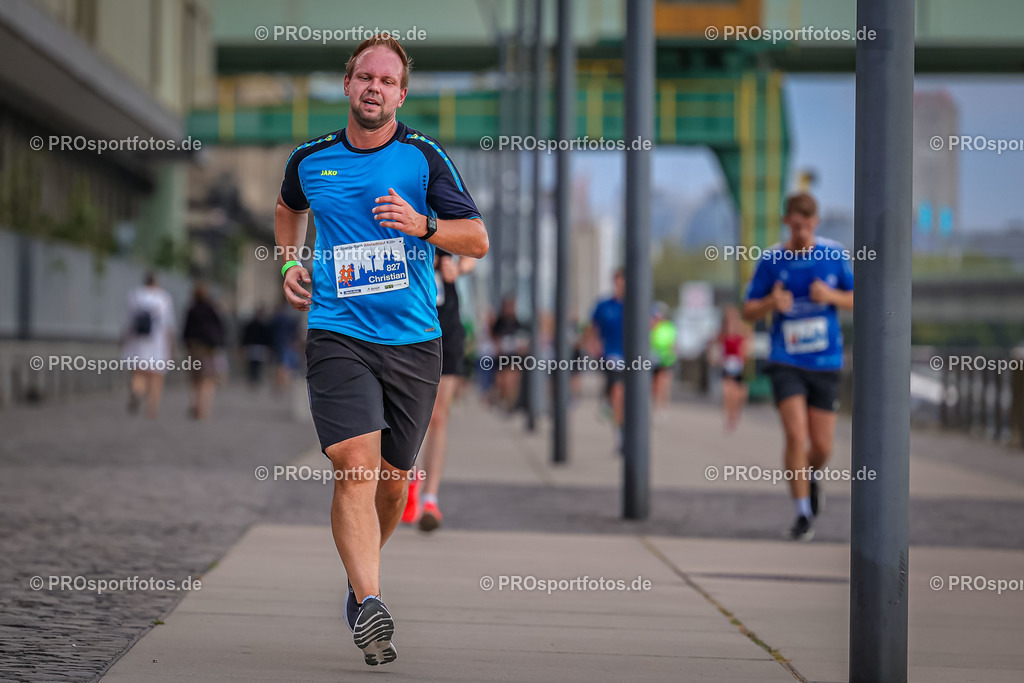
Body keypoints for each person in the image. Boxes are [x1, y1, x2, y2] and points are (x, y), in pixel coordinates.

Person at [275, 34, 487, 667]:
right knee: (354, 464)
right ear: (348, 85)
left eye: (387, 81)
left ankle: (356, 578)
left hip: (415, 341)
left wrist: (423, 225)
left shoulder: (422, 158)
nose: (374, 88)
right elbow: (288, 210)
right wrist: (289, 259)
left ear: (400, 93)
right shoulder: (310, 160)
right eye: (364, 76)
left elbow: (474, 240)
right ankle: (370, 603)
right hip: (338, 331)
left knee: (394, 486)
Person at [743, 193, 853, 542]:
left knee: (821, 447)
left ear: (816, 222)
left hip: (825, 360)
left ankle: (808, 476)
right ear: (786, 222)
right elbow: (747, 310)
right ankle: (803, 513)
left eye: (807, 225)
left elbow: (861, 297)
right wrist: (771, 303)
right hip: (785, 359)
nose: (802, 232)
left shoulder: (833, 254)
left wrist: (831, 297)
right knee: (795, 435)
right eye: (795, 225)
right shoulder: (772, 260)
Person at [401, 249, 476, 531]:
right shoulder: (401, 215)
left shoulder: (446, 215)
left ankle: (430, 498)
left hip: (447, 332)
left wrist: (459, 268)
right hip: (409, 332)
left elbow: (474, 248)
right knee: (410, 415)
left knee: (438, 417)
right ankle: (408, 480)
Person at [122, 273, 175, 418]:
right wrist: (171, 345)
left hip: (137, 341)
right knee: (156, 377)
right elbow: (168, 325)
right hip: (157, 343)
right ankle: (152, 408)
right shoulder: (163, 298)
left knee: (138, 373)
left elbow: (128, 322)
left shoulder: (135, 295)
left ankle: (137, 390)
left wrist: (123, 340)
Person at [585, 269, 626, 449]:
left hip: (634, 358)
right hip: (610, 356)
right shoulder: (603, 306)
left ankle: (607, 402)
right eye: (618, 282)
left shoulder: (637, 305)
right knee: (618, 392)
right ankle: (620, 434)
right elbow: (591, 329)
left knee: (624, 397)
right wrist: (593, 345)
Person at [182, 283, 226, 420]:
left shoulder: (191, 309)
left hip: (194, 348)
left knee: (195, 379)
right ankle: (204, 409)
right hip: (209, 349)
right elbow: (221, 328)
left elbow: (185, 331)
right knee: (207, 380)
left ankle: (194, 403)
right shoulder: (212, 308)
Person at [715, 306, 750, 432]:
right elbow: (717, 349)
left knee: (736, 395)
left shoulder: (742, 333)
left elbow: (746, 351)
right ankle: (728, 416)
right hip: (726, 366)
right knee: (727, 392)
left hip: (738, 367)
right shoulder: (722, 334)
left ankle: (734, 413)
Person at [491, 297, 521, 412]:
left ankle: (510, 403)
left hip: (513, 355)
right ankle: (503, 400)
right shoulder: (500, 321)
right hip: (502, 355)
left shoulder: (516, 321)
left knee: (512, 380)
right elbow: (494, 336)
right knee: (502, 380)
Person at [649, 303, 677, 409]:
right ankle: (656, 403)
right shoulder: (651, 327)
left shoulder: (668, 326)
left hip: (666, 358)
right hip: (653, 358)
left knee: (664, 381)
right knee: (655, 383)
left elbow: (672, 343)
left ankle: (662, 404)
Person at [269, 301, 301, 393]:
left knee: (280, 364)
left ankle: (280, 383)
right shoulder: (290, 319)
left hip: (277, 344)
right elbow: (295, 331)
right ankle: (284, 383)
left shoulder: (275, 319)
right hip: (288, 343)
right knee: (286, 365)